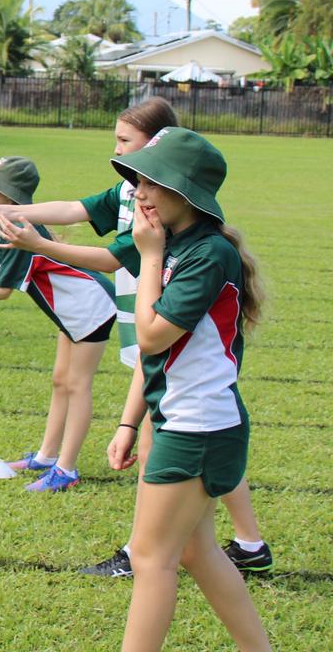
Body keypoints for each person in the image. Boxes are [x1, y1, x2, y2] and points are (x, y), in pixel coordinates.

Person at [0, 98, 271, 577]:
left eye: (125, 142)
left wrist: (40, 243)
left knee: (183, 443)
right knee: (196, 464)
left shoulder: (180, 231)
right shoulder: (142, 199)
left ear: (159, 151)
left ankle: (142, 553)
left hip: (160, 322)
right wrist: (17, 211)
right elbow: (76, 208)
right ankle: (241, 544)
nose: (119, 154)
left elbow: (115, 262)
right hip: (151, 320)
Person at [105, 128, 270, 651]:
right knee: (197, 551)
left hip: (197, 426)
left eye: (153, 181)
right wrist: (131, 422)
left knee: (151, 558)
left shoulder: (206, 253)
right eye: (139, 180)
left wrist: (150, 256)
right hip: (191, 420)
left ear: (186, 191)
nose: (141, 192)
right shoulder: (181, 244)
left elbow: (152, 337)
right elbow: (157, 357)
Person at [0, 157, 117, 491]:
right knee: (60, 381)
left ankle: (66, 470)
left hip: (90, 308)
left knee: (77, 384)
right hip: (70, 312)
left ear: (10, 197)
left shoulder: (17, 229)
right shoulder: (5, 227)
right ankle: (46, 456)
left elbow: (0, 292)